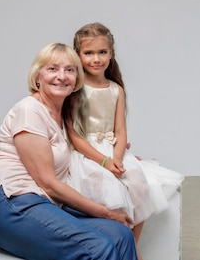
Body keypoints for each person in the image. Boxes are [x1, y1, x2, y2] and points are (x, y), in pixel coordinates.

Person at [0, 43, 138, 260]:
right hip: (14, 201)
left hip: (45, 203)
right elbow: (48, 182)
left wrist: (124, 155)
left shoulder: (62, 115)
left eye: (69, 70)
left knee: (121, 235)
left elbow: (84, 147)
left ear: (77, 79)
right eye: (52, 69)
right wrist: (104, 212)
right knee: (98, 247)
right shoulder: (29, 110)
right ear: (37, 77)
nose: (62, 76)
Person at [65, 23, 184, 260]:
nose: (96, 59)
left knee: (140, 185)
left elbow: (120, 130)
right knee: (107, 189)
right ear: (78, 54)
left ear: (111, 54)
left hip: (112, 150)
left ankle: (130, 247)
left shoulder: (116, 89)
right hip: (88, 153)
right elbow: (74, 135)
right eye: (88, 53)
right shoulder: (76, 88)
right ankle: (128, 251)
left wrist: (117, 158)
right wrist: (104, 161)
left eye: (102, 52)